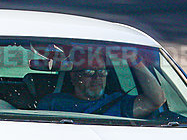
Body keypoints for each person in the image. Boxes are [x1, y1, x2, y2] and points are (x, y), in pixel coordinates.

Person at [36, 49, 166, 118]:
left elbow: (156, 100)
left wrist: (134, 60)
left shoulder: (119, 103)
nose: (97, 77)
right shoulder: (52, 103)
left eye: (102, 72)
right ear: (74, 76)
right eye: (89, 72)